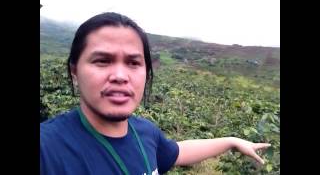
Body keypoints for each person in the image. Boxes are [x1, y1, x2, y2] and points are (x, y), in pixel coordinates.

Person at [40, 12, 271, 175]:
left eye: (133, 63)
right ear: (74, 72)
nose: (120, 75)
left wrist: (231, 141)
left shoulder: (145, 132)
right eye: (102, 61)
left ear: (146, 73)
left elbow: (178, 152)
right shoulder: (48, 149)